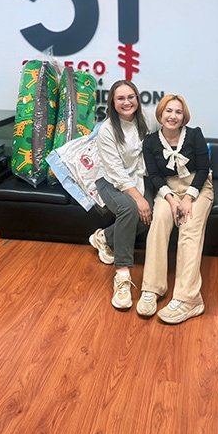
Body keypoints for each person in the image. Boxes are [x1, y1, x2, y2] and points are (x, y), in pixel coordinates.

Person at [136, 94, 214, 324]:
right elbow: (154, 175)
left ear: (184, 116)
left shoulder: (195, 134)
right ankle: (152, 288)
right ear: (160, 114)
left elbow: (203, 169)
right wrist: (171, 200)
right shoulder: (150, 142)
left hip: (197, 187)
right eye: (168, 111)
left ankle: (189, 299)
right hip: (168, 191)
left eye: (178, 112)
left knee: (189, 228)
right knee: (158, 222)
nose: (173, 116)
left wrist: (189, 198)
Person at [88, 80, 154, 310]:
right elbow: (116, 171)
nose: (127, 102)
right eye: (121, 98)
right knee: (130, 209)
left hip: (138, 178)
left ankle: (104, 237)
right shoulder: (107, 130)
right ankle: (122, 276)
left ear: (137, 98)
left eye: (131, 97)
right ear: (113, 103)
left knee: (151, 214)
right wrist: (139, 198)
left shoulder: (146, 119)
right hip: (110, 180)